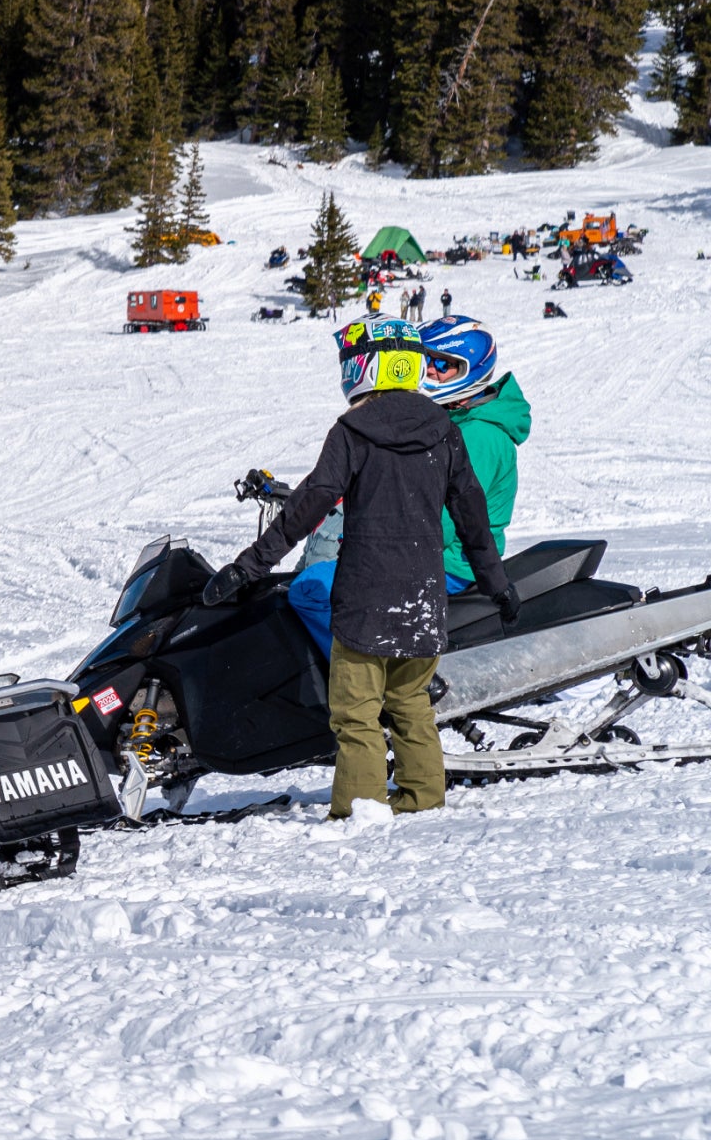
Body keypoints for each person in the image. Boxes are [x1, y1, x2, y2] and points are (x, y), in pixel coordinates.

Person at [207, 318, 513, 818]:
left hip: (365, 600)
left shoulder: (353, 431)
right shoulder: (443, 431)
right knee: (413, 705)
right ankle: (423, 801)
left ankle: (360, 810)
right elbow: (472, 514)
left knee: (357, 716)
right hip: (424, 598)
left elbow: (308, 506)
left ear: (364, 368)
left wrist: (249, 566)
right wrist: (496, 585)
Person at [420, 317, 526, 594]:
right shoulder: (453, 419)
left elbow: (446, 520)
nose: (431, 371)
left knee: (317, 591)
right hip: (434, 558)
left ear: (469, 370)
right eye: (427, 360)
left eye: (443, 364)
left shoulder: (479, 435)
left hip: (452, 565)